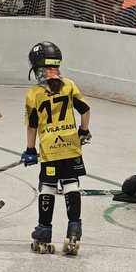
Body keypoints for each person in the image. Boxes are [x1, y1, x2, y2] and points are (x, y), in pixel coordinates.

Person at [21, 41, 91, 255]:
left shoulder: (34, 94)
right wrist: (82, 131)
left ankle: (44, 230)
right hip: (71, 146)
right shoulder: (69, 85)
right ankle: (74, 228)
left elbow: (32, 126)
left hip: (50, 150)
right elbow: (85, 109)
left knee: (48, 187)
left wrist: (30, 150)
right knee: (71, 184)